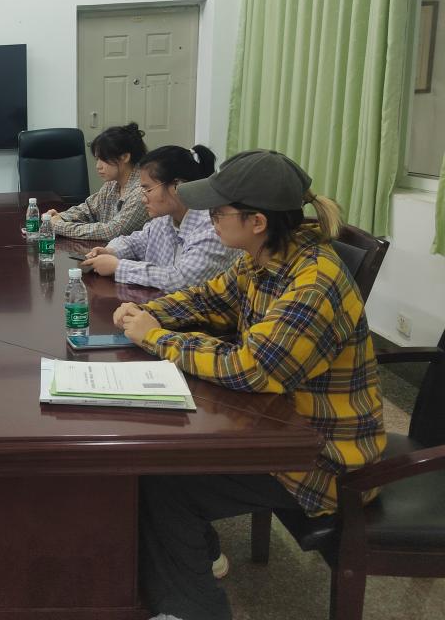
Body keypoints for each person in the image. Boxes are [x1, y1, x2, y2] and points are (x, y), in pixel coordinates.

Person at [113, 150, 386, 620]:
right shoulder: (263, 258)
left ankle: (193, 609)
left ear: (257, 221)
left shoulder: (313, 282)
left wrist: (156, 337)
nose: (209, 219)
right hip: (277, 426)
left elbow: (252, 369)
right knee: (158, 462)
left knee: (162, 485)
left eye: (218, 212)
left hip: (321, 458)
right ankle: (196, 558)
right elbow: (209, 298)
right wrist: (150, 312)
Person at [80, 144, 239, 292]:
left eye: (148, 189)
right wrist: (110, 251)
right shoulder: (164, 220)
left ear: (177, 186)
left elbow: (181, 280)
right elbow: (135, 242)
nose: (143, 199)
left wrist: (118, 267)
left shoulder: (212, 227)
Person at [45, 122, 149, 241]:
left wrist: (59, 226)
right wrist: (60, 217)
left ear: (125, 157)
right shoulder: (112, 184)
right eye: (97, 159)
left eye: (103, 159)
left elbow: (112, 231)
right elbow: (88, 210)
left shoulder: (142, 191)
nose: (98, 166)